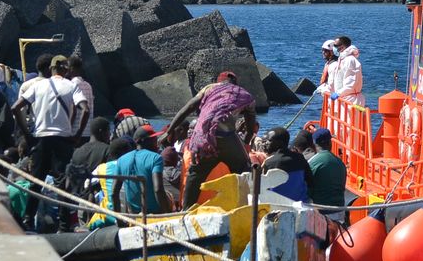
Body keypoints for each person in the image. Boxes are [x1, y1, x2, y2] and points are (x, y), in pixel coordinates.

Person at [166, 71, 258, 208]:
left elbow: (188, 108)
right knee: (244, 170)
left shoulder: (209, 88)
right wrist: (246, 142)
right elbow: (251, 127)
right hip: (227, 137)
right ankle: (249, 206)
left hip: (203, 138)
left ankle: (186, 209)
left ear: (218, 81)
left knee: (195, 173)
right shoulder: (244, 95)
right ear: (235, 83)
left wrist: (169, 131)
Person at [14, 55, 81, 227]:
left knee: (36, 182)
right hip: (62, 140)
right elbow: (85, 108)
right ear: (65, 69)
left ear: (51, 69)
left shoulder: (38, 85)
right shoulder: (71, 85)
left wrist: (27, 135)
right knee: (61, 184)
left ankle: (27, 220)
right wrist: (75, 132)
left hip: (41, 138)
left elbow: (16, 108)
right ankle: (64, 226)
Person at [111, 130, 164, 215]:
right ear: (143, 141)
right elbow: (158, 190)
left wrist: (119, 220)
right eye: (154, 139)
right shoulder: (156, 158)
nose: (156, 142)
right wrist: (168, 213)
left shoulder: (121, 160)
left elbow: (114, 193)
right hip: (155, 214)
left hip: (134, 215)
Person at [257, 127, 311, 202]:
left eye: (268, 141)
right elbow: (309, 181)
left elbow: (259, 187)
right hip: (300, 204)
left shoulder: (269, 163)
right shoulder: (300, 158)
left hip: (278, 205)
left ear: (278, 143)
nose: (264, 144)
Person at [304, 127, 348, 219]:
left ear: (314, 144)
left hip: (320, 212)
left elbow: (305, 188)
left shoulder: (312, 162)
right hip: (339, 210)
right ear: (330, 143)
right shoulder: (340, 163)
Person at [57, 58, 93, 139]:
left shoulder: (72, 85)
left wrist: (68, 130)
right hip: (87, 131)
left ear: (72, 68)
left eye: (67, 66)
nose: (65, 69)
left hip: (75, 132)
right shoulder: (88, 85)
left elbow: (73, 110)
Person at [329, 36, 364, 107]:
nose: (333, 48)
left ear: (343, 46)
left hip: (351, 101)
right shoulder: (342, 59)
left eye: (335, 45)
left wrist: (338, 93)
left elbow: (350, 83)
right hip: (343, 99)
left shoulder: (350, 60)